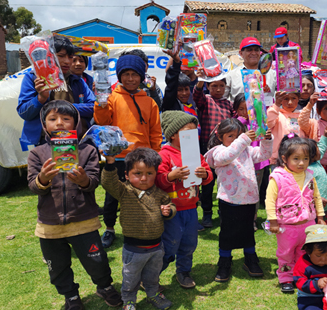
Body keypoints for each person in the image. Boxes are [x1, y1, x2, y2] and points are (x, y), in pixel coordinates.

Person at [27, 100, 121, 310]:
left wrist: (82, 180)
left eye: (66, 119)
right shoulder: (37, 153)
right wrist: (43, 178)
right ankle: (70, 296)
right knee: (58, 266)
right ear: (44, 125)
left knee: (97, 261)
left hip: (83, 220)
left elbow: (93, 183)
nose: (59, 123)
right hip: (50, 224)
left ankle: (104, 286)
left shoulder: (87, 151)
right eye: (53, 119)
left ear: (76, 123)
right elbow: (33, 186)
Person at [94, 54, 163, 249]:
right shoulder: (111, 97)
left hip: (143, 159)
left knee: (144, 194)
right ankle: (109, 228)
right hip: (117, 157)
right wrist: (100, 103)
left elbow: (155, 131)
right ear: (119, 76)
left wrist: (156, 154)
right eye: (126, 74)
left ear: (142, 77)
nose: (130, 78)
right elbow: (102, 122)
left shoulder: (149, 102)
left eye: (135, 74)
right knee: (112, 195)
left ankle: (143, 225)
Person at [100, 147, 176, 310]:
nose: (144, 178)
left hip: (156, 248)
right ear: (127, 175)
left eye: (149, 173)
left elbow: (171, 205)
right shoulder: (124, 191)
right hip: (133, 250)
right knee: (130, 278)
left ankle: (153, 294)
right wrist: (110, 163)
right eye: (138, 173)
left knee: (152, 276)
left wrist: (169, 210)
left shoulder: (160, 194)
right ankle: (129, 300)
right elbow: (108, 182)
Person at [205, 118, 273, 282]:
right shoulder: (218, 152)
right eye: (231, 136)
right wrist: (244, 139)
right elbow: (228, 156)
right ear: (220, 136)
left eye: (239, 135)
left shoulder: (247, 150)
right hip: (229, 201)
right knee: (227, 234)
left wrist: (266, 139)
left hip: (249, 200)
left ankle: (250, 259)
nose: (236, 140)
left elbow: (264, 155)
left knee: (248, 232)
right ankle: (224, 262)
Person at [155, 111, 213, 288]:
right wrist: (172, 176)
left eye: (194, 132)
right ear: (173, 134)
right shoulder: (164, 155)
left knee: (189, 243)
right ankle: (153, 273)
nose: (192, 136)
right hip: (172, 210)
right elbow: (158, 180)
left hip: (191, 209)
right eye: (187, 132)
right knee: (170, 244)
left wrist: (205, 175)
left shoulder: (196, 154)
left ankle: (184, 271)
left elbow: (208, 174)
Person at [265, 134, 325, 293]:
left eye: (305, 159)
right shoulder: (277, 177)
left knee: (304, 252)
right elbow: (270, 200)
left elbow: (316, 196)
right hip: (287, 226)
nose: (301, 163)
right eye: (296, 159)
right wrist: (273, 220)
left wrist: (321, 217)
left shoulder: (310, 176)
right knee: (285, 254)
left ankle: (300, 276)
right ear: (285, 159)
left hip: (308, 225)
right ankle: (285, 278)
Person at [18, 35, 95, 147]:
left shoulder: (77, 80)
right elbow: (24, 113)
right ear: (49, 56)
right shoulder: (34, 78)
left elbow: (93, 107)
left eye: (70, 57)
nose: (67, 61)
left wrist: (66, 108)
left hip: (76, 141)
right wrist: (41, 98)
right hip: (46, 143)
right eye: (61, 56)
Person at [194, 70, 235, 228]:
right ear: (208, 87)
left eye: (221, 86)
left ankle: (224, 213)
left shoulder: (228, 104)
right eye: (214, 86)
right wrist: (200, 80)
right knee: (207, 184)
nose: (218, 89)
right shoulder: (205, 101)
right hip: (207, 151)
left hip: (225, 151)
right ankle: (207, 214)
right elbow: (197, 96)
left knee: (225, 183)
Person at [233, 94, 270, 231]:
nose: (245, 113)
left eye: (248, 109)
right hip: (239, 163)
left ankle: (252, 219)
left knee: (254, 191)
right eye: (241, 109)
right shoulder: (235, 123)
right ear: (236, 110)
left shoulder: (259, 123)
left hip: (257, 163)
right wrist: (240, 121)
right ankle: (238, 216)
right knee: (240, 190)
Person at [225, 37, 276, 102]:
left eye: (256, 50)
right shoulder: (231, 76)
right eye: (249, 50)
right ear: (241, 53)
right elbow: (223, 99)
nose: (254, 53)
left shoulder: (272, 74)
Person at [267, 91, 307, 167]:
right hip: (278, 159)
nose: (290, 102)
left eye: (294, 98)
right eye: (286, 99)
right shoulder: (276, 114)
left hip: (298, 157)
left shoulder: (301, 116)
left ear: (298, 99)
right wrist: (277, 104)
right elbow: (268, 122)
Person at [162, 50, 199, 123]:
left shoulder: (193, 108)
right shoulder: (171, 105)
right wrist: (176, 61)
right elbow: (171, 82)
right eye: (180, 90)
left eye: (186, 89)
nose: (184, 93)